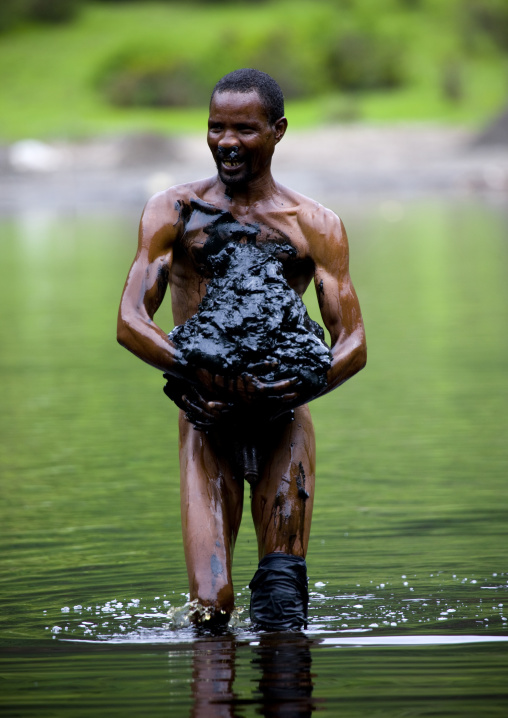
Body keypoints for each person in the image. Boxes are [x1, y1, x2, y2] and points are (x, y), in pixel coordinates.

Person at [117, 68, 366, 630]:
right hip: (206, 422)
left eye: (244, 130)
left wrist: (294, 387)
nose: (226, 142)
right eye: (215, 128)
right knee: (214, 605)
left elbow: (353, 342)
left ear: (277, 131)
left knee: (282, 607)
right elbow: (131, 321)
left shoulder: (314, 225)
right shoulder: (173, 212)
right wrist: (203, 376)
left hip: (284, 420)